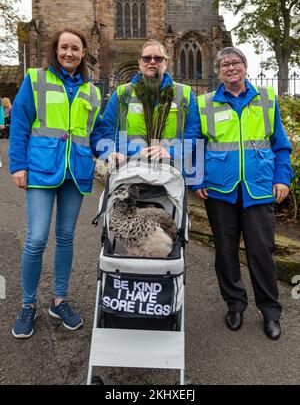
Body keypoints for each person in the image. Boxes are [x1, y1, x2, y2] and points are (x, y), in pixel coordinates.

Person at [192, 46, 293, 340]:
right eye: (224, 64)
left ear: (246, 66)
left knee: (262, 252)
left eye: (235, 62)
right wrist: (196, 179)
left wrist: (282, 177)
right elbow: (194, 146)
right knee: (225, 253)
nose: (230, 67)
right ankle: (235, 304)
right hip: (220, 190)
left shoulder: (266, 98)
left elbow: (281, 144)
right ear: (217, 72)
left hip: (259, 187)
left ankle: (270, 312)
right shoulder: (204, 103)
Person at [9, 27, 102, 338]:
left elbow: (97, 132)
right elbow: (20, 124)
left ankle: (59, 300)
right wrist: (18, 166)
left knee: (65, 237)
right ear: (56, 50)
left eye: (75, 48)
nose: (69, 53)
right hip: (40, 168)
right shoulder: (36, 79)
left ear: (83, 53)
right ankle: (27, 305)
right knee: (36, 238)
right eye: (64, 47)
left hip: (75, 171)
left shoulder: (93, 90)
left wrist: (114, 151)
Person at [99, 39, 200, 167]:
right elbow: (108, 129)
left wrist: (172, 152)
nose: (152, 61)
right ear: (140, 63)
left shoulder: (184, 93)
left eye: (158, 58)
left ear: (166, 63)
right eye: (147, 58)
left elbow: (193, 131)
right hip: (130, 167)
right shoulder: (122, 93)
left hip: (171, 169)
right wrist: (130, 152)